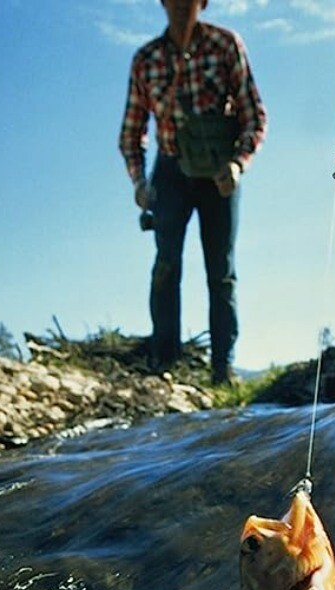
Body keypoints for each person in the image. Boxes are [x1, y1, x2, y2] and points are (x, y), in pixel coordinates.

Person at [119, 0, 267, 385]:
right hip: (170, 171)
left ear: (202, 3)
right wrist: (139, 181)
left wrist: (238, 163)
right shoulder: (146, 60)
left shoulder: (226, 45)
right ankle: (163, 363)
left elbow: (254, 115)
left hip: (219, 171)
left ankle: (223, 369)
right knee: (166, 264)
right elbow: (131, 133)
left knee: (222, 271)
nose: (182, 7)